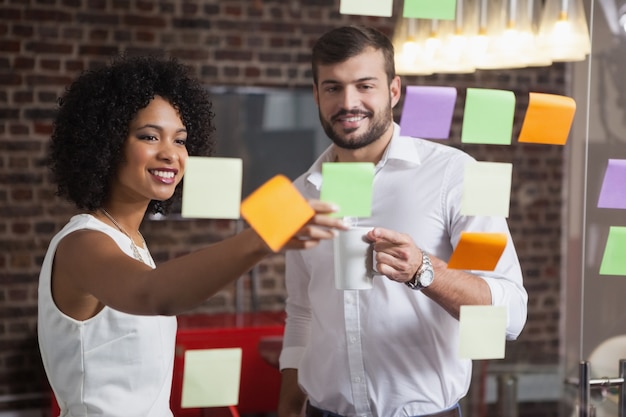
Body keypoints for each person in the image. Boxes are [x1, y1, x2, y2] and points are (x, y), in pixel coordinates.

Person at [38, 54, 347, 417]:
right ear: (106, 143)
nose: (170, 154)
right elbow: (152, 293)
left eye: (180, 140)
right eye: (150, 136)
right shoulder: (82, 243)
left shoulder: (132, 242)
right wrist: (261, 237)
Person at [277, 25, 528, 417]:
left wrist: (424, 271)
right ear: (316, 95)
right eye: (332, 88)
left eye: (364, 85)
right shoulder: (300, 194)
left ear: (393, 90)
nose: (348, 102)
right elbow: (301, 311)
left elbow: (510, 312)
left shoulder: (459, 175)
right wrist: (289, 406)